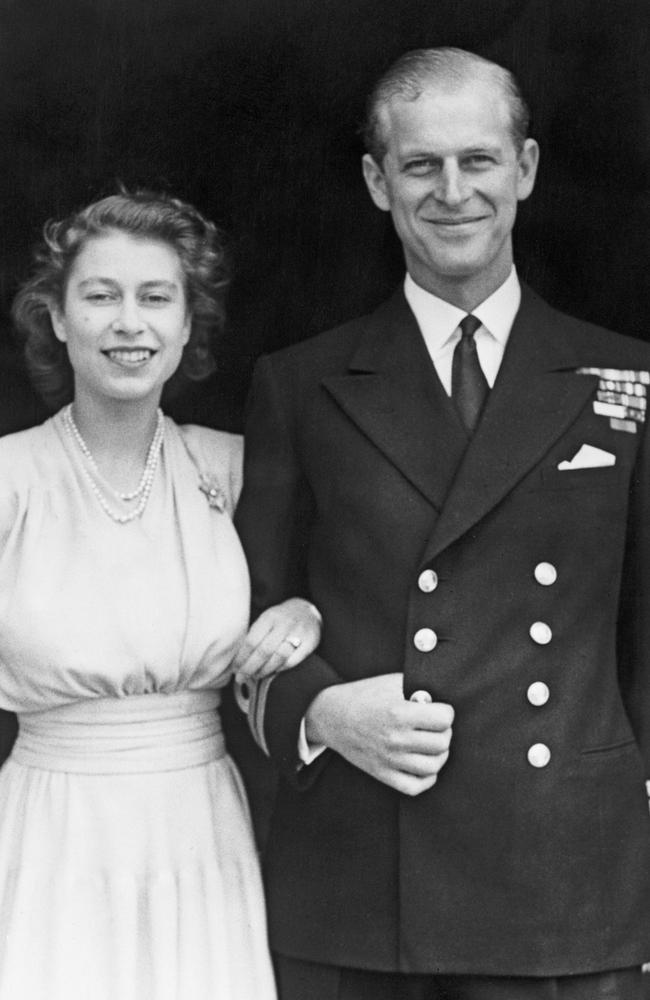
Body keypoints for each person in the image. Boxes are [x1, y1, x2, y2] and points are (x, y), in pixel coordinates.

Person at [235, 47, 650, 1000]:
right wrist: (322, 713)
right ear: (378, 182)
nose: (453, 191)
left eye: (479, 161)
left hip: (564, 878)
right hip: (362, 871)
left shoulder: (626, 377)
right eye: (421, 165)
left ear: (527, 170)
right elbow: (249, 611)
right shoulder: (302, 383)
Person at [0, 190, 321, 999]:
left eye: (155, 298)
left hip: (199, 827)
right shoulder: (8, 480)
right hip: (50, 833)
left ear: (187, 324)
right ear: (59, 318)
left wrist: (304, 611)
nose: (128, 323)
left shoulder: (238, 470)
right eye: (100, 295)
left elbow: (337, 589)